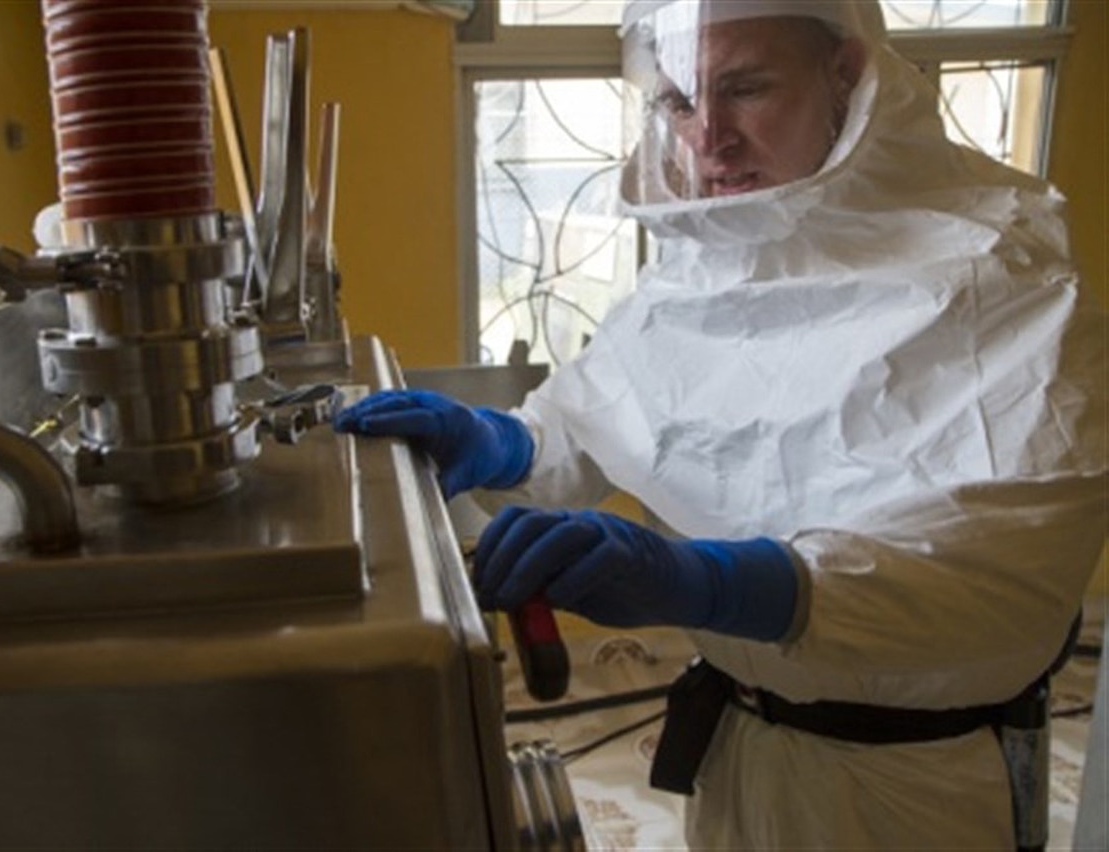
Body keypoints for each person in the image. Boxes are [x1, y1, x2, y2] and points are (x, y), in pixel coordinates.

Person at [335, 0, 1107, 847]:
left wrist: (721, 583)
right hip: (740, 742)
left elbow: (1001, 567)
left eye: (744, 89)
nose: (708, 140)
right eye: (677, 101)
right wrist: (504, 442)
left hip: (914, 785)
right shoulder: (717, 255)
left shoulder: (1002, 272)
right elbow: (609, 411)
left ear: (846, 72)